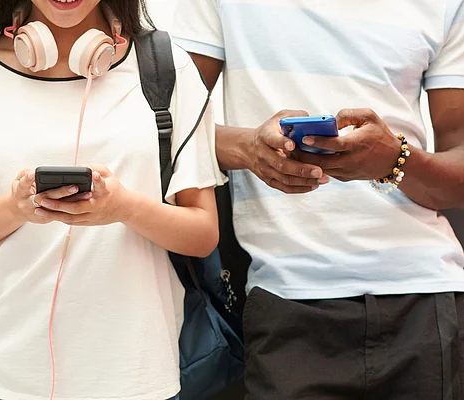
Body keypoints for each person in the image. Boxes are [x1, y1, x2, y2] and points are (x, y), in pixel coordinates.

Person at [0, 0, 226, 398]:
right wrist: (15, 208)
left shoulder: (167, 68)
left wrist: (124, 207)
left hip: (136, 379)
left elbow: (202, 234)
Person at [172, 0, 464, 398]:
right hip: (287, 301)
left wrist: (396, 159)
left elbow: (456, 177)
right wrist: (250, 149)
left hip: (426, 298)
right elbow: (167, 127)